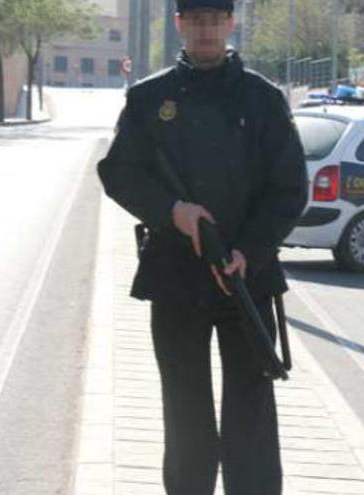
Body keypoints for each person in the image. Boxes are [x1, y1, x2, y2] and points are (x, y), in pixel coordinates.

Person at [97, 0, 308, 493]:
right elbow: (119, 172)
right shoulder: (150, 98)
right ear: (179, 25)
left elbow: (289, 188)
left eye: (216, 19)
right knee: (184, 410)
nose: (207, 30)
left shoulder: (263, 99)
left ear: (231, 23)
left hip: (245, 279)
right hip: (175, 277)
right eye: (196, 20)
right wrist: (174, 212)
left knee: (250, 412)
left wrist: (248, 251)